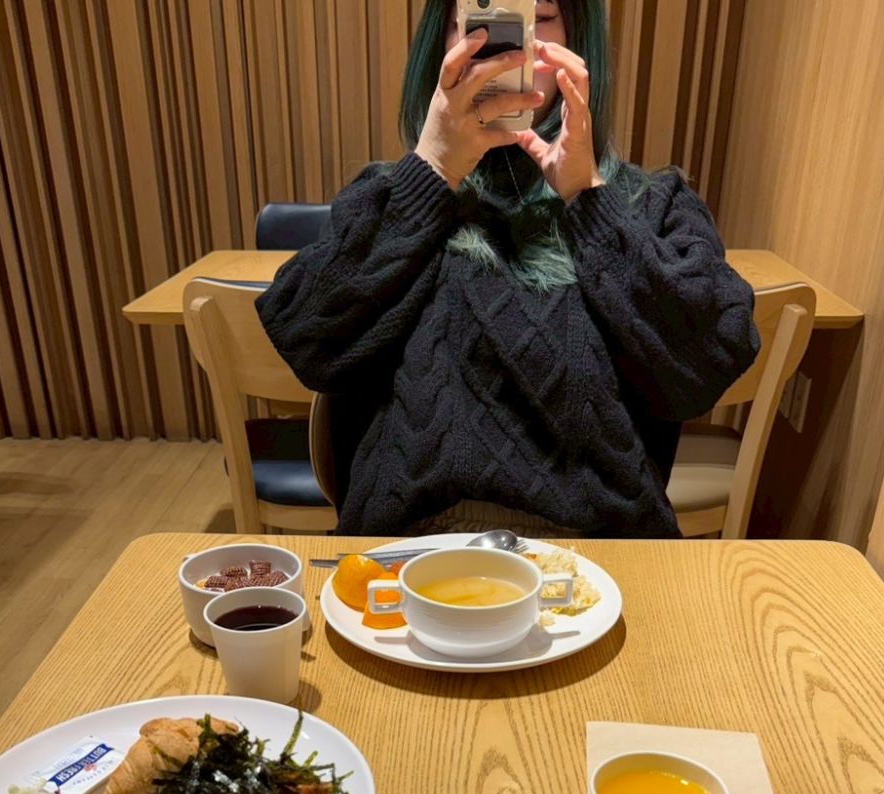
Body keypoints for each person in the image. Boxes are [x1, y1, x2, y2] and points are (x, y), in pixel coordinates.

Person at [257, 0, 759, 538]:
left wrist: (587, 197)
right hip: (412, 550)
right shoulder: (388, 200)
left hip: (599, 558)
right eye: (479, 21)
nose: (506, 50)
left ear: (578, 41)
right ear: (441, 42)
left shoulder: (652, 205)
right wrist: (431, 171)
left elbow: (702, 372)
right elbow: (306, 342)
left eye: (537, 18)